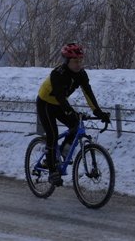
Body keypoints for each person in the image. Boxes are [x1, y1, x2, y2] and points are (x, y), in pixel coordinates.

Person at [36, 43, 110, 186]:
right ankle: (52, 171)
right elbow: (59, 96)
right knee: (52, 134)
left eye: (81, 60)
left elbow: (88, 93)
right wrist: (70, 112)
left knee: (76, 126)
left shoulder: (81, 74)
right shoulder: (58, 74)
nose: (79, 64)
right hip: (45, 103)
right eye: (75, 61)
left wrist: (98, 112)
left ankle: (62, 152)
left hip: (59, 105)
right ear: (66, 61)